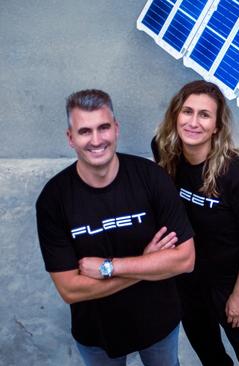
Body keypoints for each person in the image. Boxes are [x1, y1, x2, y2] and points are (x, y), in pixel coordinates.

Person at [35, 89, 196, 366]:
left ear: (116, 129)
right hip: (96, 335)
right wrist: (149, 264)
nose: (96, 140)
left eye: (103, 127)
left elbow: (185, 260)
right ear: (70, 138)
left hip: (159, 323)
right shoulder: (54, 200)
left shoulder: (151, 178)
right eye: (85, 131)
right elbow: (70, 290)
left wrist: (109, 267)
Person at [152, 80, 239, 366]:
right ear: (175, 116)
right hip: (187, 278)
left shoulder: (237, 176)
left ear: (217, 126)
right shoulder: (164, 150)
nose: (193, 122)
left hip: (229, 281)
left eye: (204, 115)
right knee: (209, 354)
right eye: (187, 112)